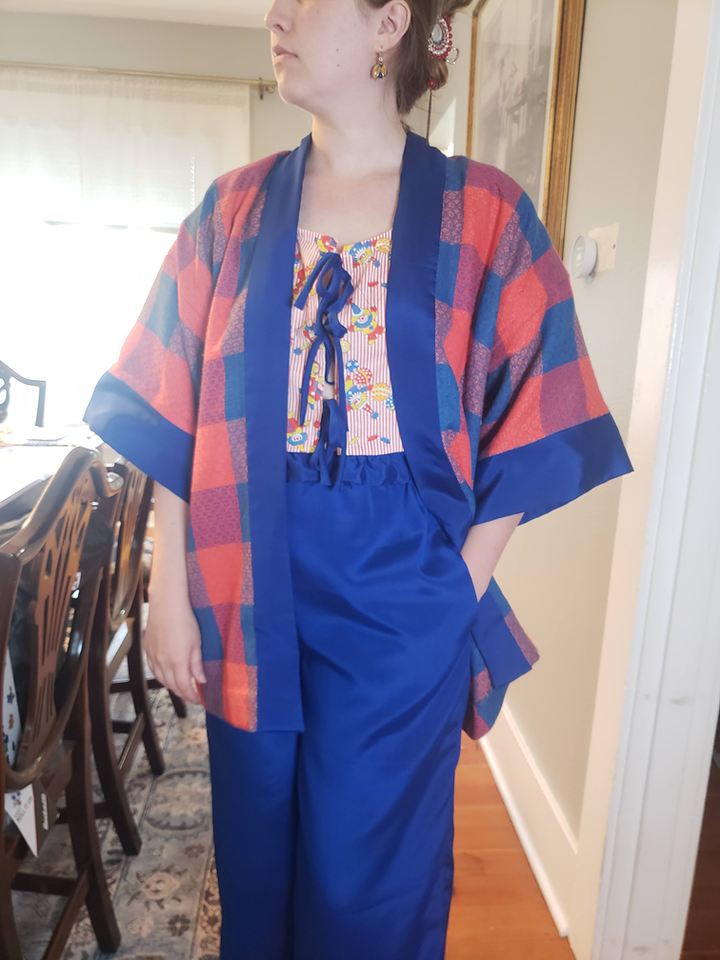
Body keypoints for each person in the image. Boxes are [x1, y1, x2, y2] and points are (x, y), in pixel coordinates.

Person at [83, 0, 633, 954]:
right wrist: (167, 591)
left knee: (370, 874)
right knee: (255, 849)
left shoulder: (486, 214)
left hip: (402, 589)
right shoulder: (231, 211)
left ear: (389, 24)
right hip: (244, 571)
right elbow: (170, 401)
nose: (276, 14)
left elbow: (540, 411)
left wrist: (457, 590)